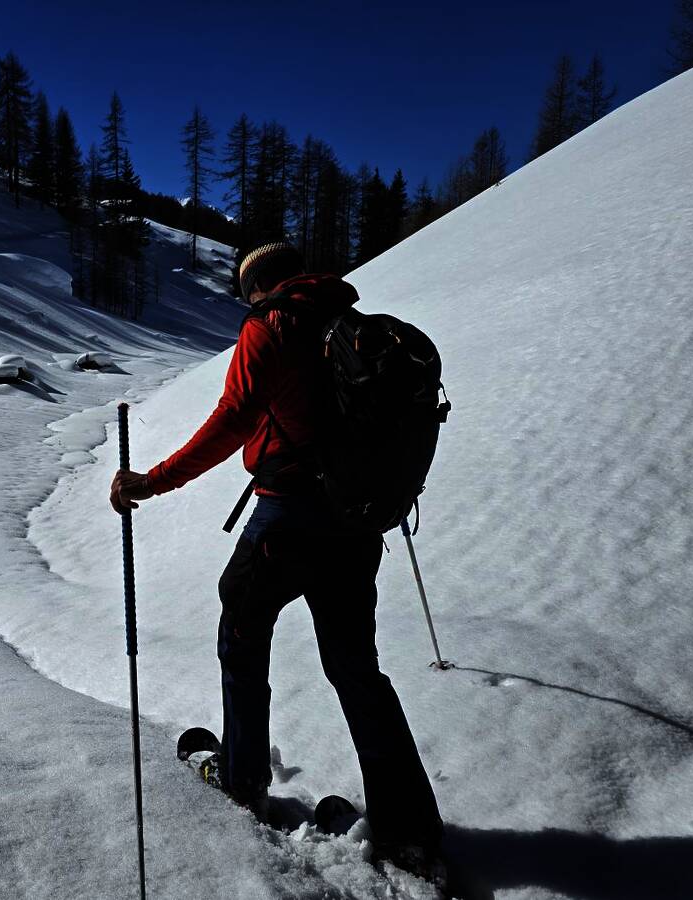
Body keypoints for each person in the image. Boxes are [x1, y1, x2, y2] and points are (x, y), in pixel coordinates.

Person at [109, 241, 445, 874]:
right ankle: (410, 831)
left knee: (241, 634)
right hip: (356, 523)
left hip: (287, 518)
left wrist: (151, 482)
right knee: (355, 668)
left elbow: (234, 419)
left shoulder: (272, 328)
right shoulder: (350, 325)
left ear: (257, 286)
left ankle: (242, 779)